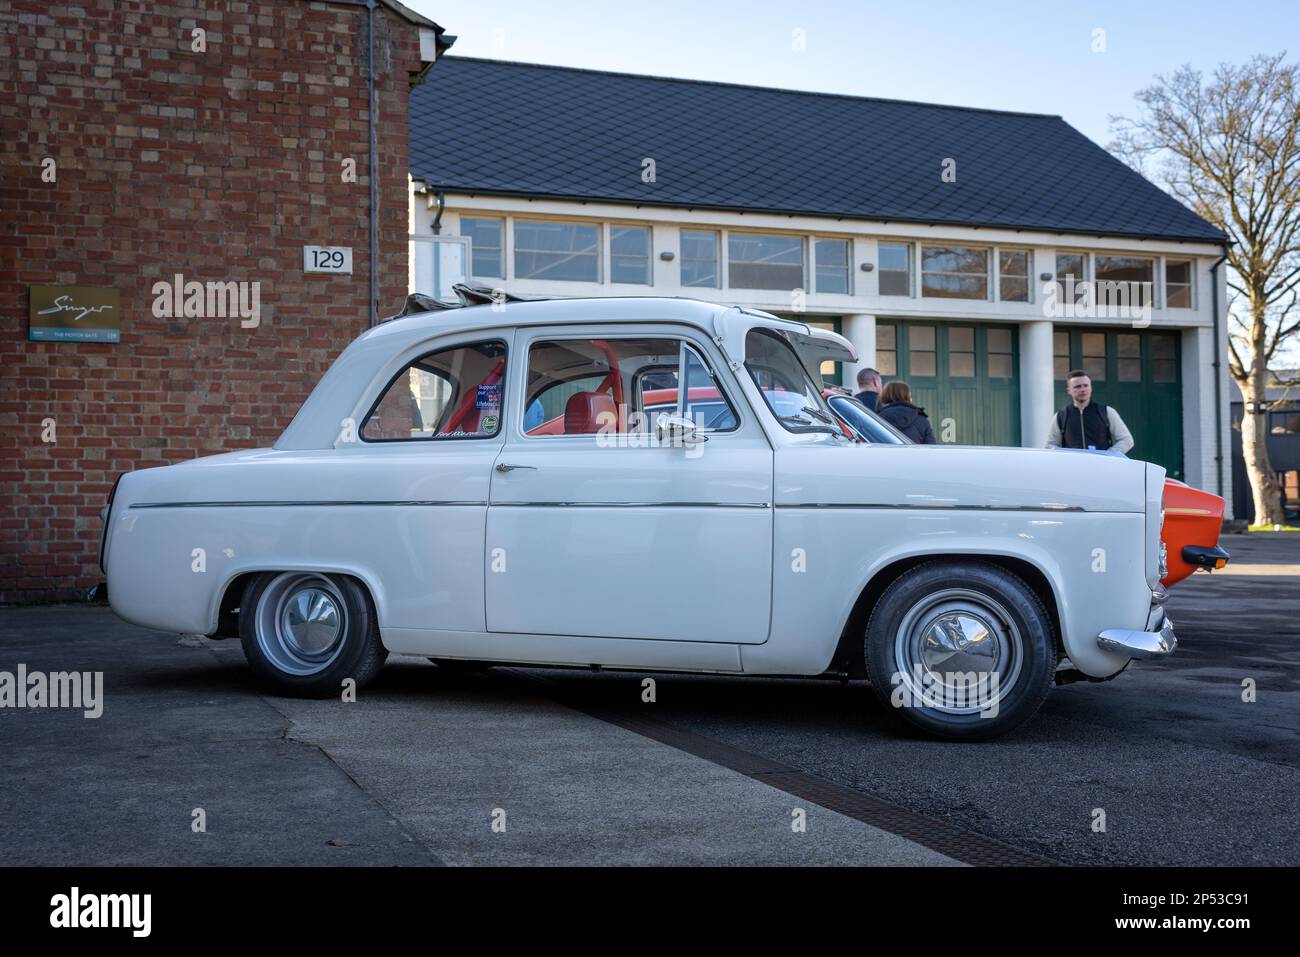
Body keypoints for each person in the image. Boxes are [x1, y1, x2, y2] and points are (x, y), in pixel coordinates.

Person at [1045, 369, 1134, 454]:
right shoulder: (1061, 416)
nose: (1083, 389)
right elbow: (1050, 445)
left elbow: (1126, 440)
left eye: (1086, 385)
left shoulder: (1107, 412)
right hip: (1072, 467)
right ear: (1069, 391)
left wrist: (1107, 455)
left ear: (1091, 388)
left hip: (1101, 467)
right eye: (1077, 386)